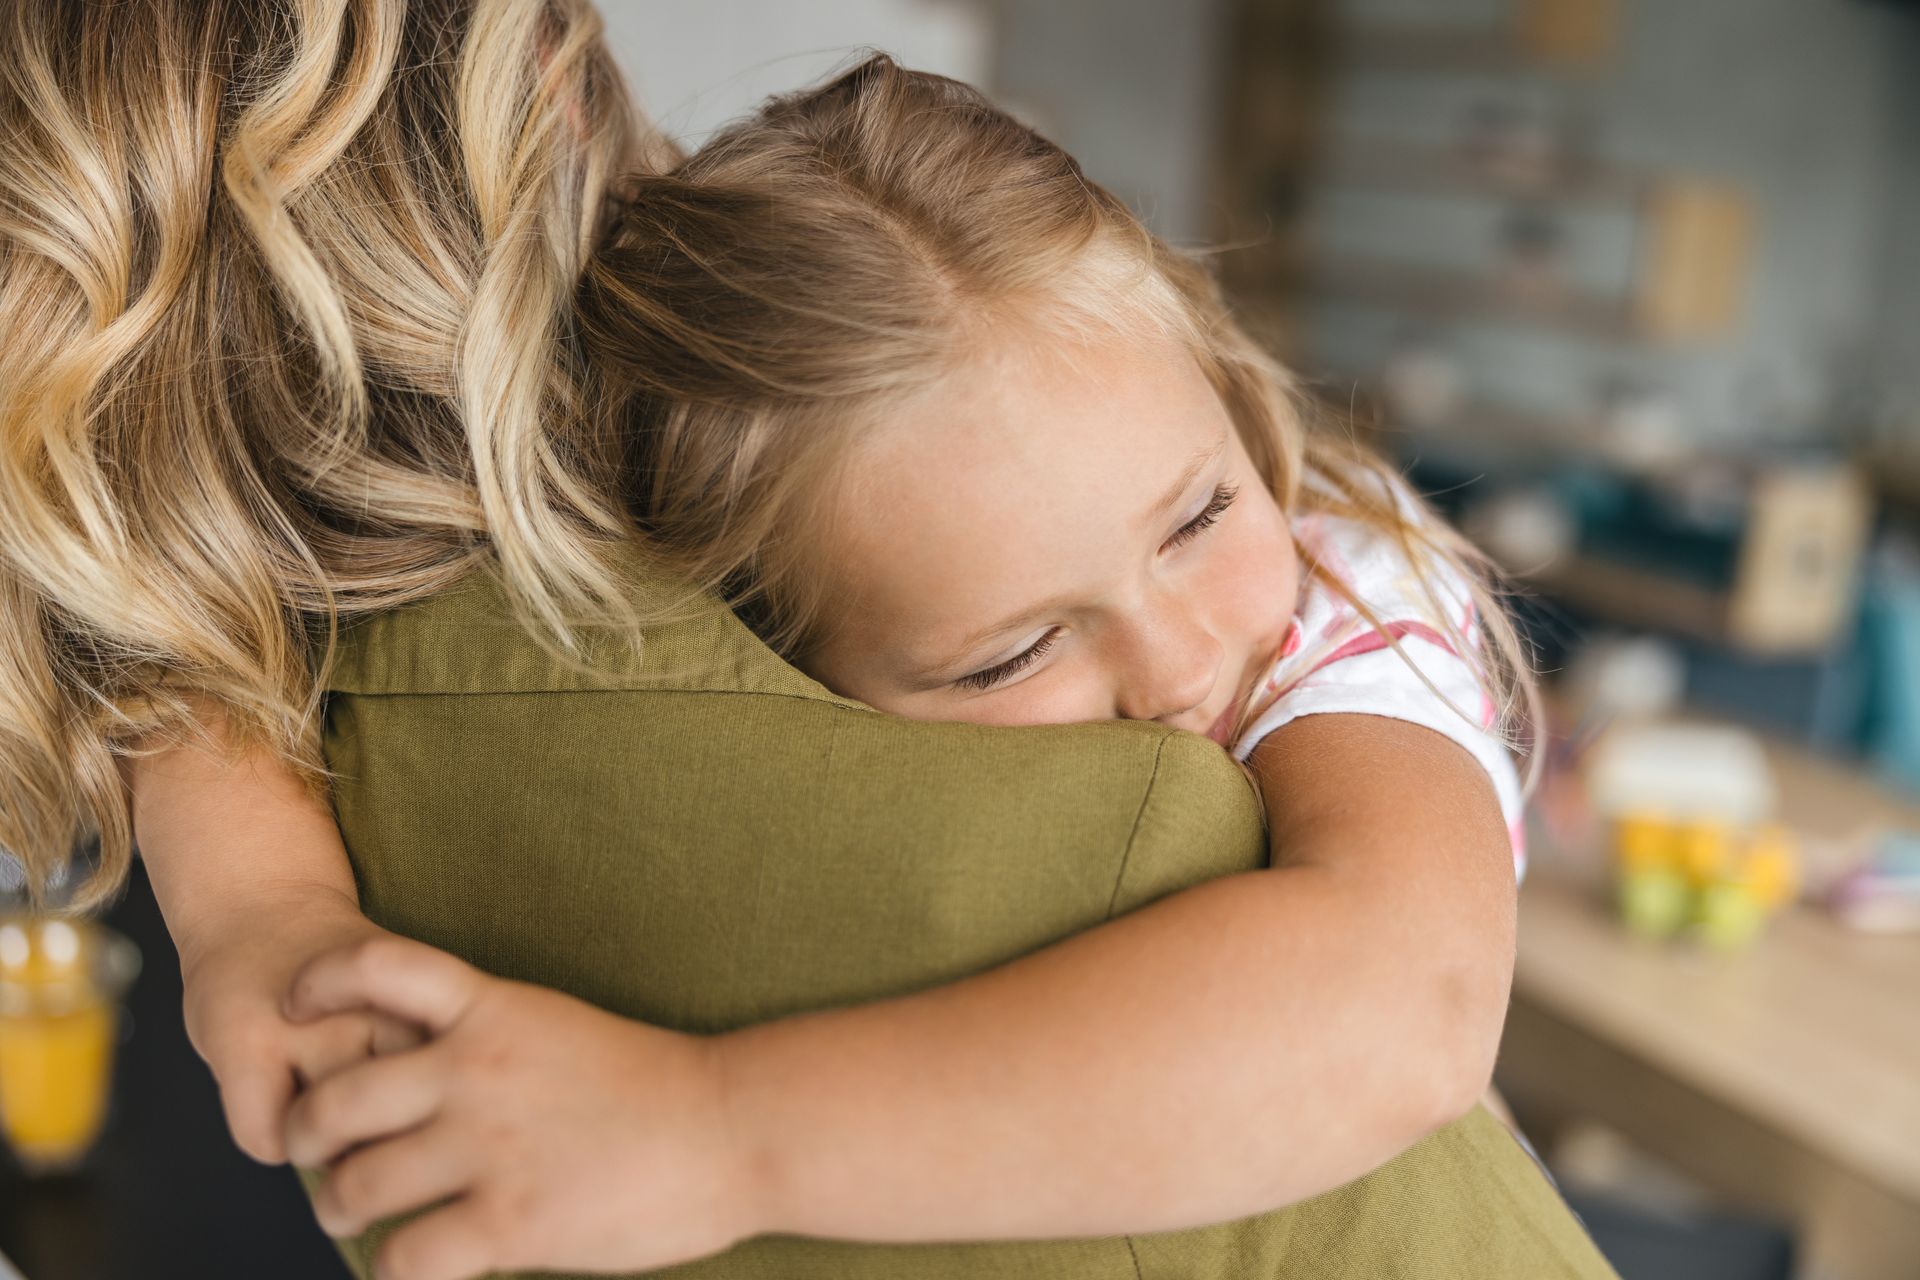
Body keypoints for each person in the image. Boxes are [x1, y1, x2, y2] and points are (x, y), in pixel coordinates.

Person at [2, 5, 1607, 1280]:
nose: (1186, 664)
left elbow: (1404, 1009)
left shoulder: (1343, 613)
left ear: (1222, 389)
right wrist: (261, 915)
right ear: (770, 633)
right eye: (1006, 656)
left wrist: (712, 1131)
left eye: (1199, 514)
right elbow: (206, 632)